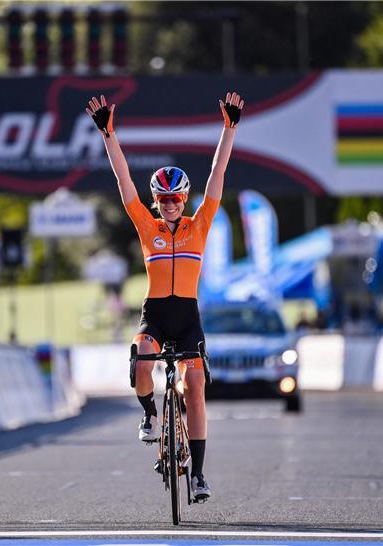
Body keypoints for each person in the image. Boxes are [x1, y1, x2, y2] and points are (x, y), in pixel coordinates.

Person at [86, 91, 244, 501]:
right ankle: (150, 415)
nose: (170, 204)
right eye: (163, 199)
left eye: (175, 198)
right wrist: (109, 135)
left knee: (194, 384)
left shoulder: (200, 223)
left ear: (184, 199)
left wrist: (229, 129)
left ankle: (199, 475)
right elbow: (124, 183)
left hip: (187, 315)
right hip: (156, 312)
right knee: (141, 359)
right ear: (155, 201)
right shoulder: (146, 226)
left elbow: (217, 175)